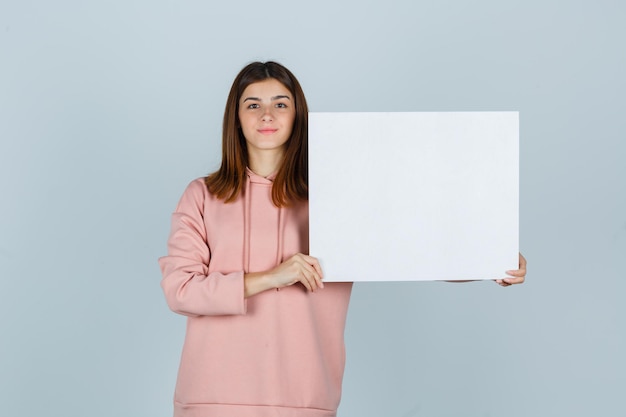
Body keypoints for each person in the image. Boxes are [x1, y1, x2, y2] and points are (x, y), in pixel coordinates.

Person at [158, 61, 527, 417]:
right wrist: (275, 276)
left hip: (306, 397)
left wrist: (491, 259)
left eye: (280, 104)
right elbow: (181, 290)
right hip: (210, 397)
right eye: (252, 105)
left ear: (297, 116)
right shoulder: (203, 195)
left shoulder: (337, 196)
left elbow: (409, 252)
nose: (266, 115)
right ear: (236, 119)